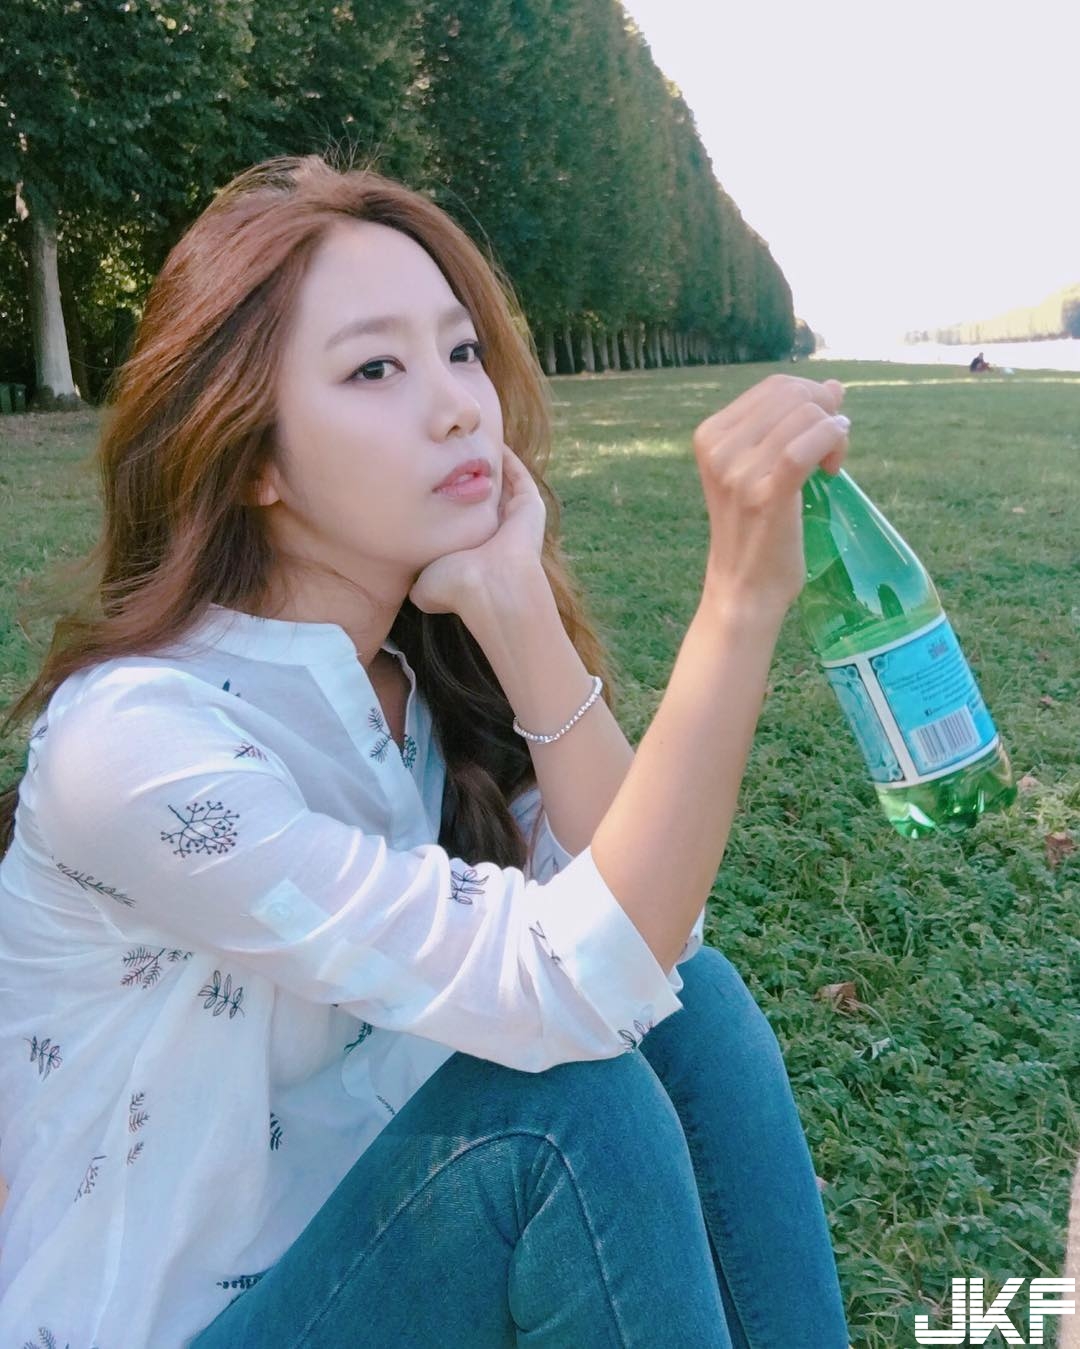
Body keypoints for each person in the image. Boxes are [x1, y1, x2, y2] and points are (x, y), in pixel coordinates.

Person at [0, 154, 854, 1348]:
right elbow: (586, 974)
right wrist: (739, 606)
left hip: (376, 1259)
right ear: (252, 455)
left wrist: (519, 611)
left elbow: (657, 945)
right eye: (375, 368)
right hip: (164, 1325)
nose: (457, 405)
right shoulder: (139, 744)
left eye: (460, 352)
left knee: (691, 1007)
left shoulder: (417, 688)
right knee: (568, 1116)